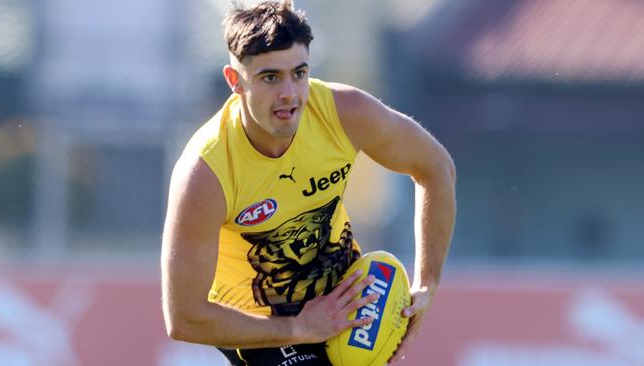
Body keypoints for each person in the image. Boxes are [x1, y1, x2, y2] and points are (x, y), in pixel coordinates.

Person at [160, 1, 456, 365]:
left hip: (342, 298)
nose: (289, 93)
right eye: (270, 78)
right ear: (234, 81)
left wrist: (427, 284)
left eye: (299, 73)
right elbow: (184, 317)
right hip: (261, 325)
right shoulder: (205, 174)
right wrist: (300, 328)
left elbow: (436, 168)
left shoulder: (344, 113)